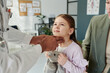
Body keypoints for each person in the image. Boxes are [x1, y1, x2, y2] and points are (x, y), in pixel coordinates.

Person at [0, 0, 64, 73]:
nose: (56, 27)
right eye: (55, 24)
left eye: (62, 24)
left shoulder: (74, 48)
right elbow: (5, 68)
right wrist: (42, 47)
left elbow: (3, 29)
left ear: (70, 31)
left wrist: (32, 39)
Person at [82, 0, 110, 73]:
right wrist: (81, 65)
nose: (109, 7)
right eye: (108, 2)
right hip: (94, 70)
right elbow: (86, 45)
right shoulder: (96, 21)